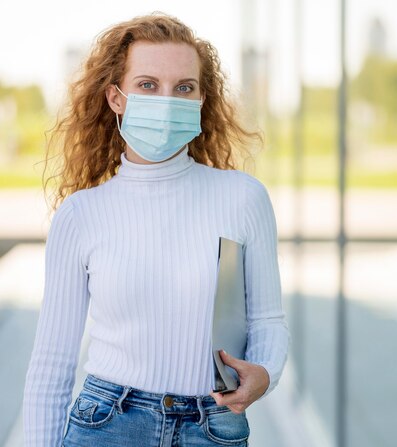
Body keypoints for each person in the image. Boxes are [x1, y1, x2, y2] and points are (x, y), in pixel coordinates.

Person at [22, 12, 289, 447]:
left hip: (213, 425)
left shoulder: (243, 198)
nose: (168, 100)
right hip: (107, 423)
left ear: (201, 99)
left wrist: (265, 373)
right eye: (148, 84)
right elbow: (52, 363)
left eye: (184, 87)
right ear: (116, 98)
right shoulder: (81, 214)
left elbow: (267, 320)